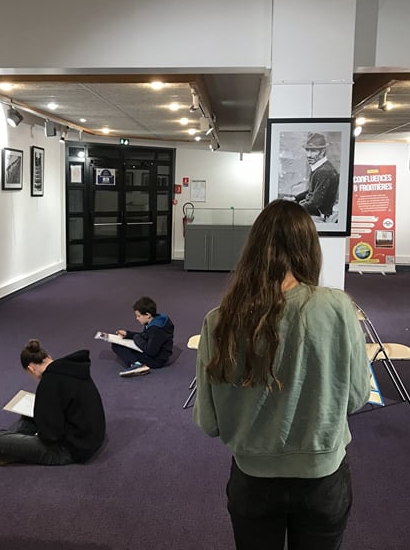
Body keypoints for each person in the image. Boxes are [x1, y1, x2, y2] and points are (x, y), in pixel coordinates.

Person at [193, 199, 370, 550]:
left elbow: (209, 422)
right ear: (310, 250)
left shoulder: (219, 320)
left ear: (253, 250)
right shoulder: (338, 308)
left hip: (253, 479)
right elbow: (356, 397)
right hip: (322, 478)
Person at [0, 339, 106, 466]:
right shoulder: (73, 368)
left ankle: (18, 449)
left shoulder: (48, 383)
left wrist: (42, 422)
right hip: (92, 435)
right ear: (48, 357)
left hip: (72, 449)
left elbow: (50, 436)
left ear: (31, 369)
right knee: (28, 416)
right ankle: (20, 448)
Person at [112, 296, 174, 378]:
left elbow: (151, 351)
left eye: (139, 316)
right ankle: (136, 363)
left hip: (157, 360)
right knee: (117, 344)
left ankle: (136, 365)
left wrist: (136, 338)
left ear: (147, 315)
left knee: (117, 346)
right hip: (155, 354)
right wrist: (128, 334)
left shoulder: (156, 329)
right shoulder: (153, 322)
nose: (137, 318)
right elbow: (145, 336)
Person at [294, 132, 339, 220]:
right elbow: (312, 191)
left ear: (322, 152)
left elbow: (315, 203)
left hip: (319, 217)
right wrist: (295, 198)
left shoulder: (324, 171)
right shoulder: (320, 168)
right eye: (307, 150)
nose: (308, 155)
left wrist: (294, 208)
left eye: (313, 151)